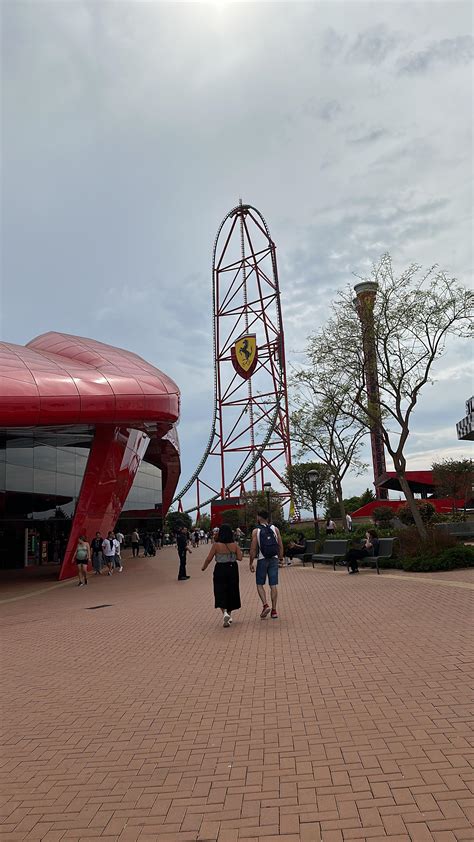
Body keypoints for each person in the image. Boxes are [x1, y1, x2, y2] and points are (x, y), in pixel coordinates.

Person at [202, 523, 243, 627]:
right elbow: (240, 558)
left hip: (220, 569)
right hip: (232, 568)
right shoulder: (235, 545)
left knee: (220, 590)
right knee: (231, 590)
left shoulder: (216, 545)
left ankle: (224, 612)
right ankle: (229, 614)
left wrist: (204, 567)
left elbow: (209, 558)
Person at [249, 511, 284, 620]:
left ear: (259, 517)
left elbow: (253, 549)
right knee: (273, 585)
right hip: (273, 558)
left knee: (260, 584)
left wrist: (250, 562)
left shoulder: (256, 531)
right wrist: (281, 558)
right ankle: (274, 611)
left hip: (262, 559)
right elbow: (280, 545)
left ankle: (265, 605)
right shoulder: (275, 529)